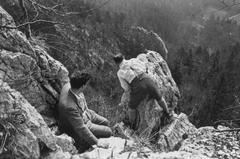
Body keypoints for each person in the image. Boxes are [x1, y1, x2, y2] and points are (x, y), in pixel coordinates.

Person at [113, 53, 172, 130]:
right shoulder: (133, 60)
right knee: (159, 97)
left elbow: (126, 87)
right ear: (123, 57)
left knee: (131, 107)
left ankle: (132, 124)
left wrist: (131, 89)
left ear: (116, 63)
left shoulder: (120, 73)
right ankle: (167, 113)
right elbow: (144, 67)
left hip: (138, 86)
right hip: (147, 79)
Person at [58, 71, 112, 152]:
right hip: (82, 122)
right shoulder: (69, 106)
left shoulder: (70, 85)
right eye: (86, 84)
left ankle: (94, 133)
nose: (87, 86)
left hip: (87, 112)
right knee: (108, 131)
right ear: (82, 86)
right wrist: (97, 142)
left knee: (106, 122)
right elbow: (81, 127)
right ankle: (85, 142)